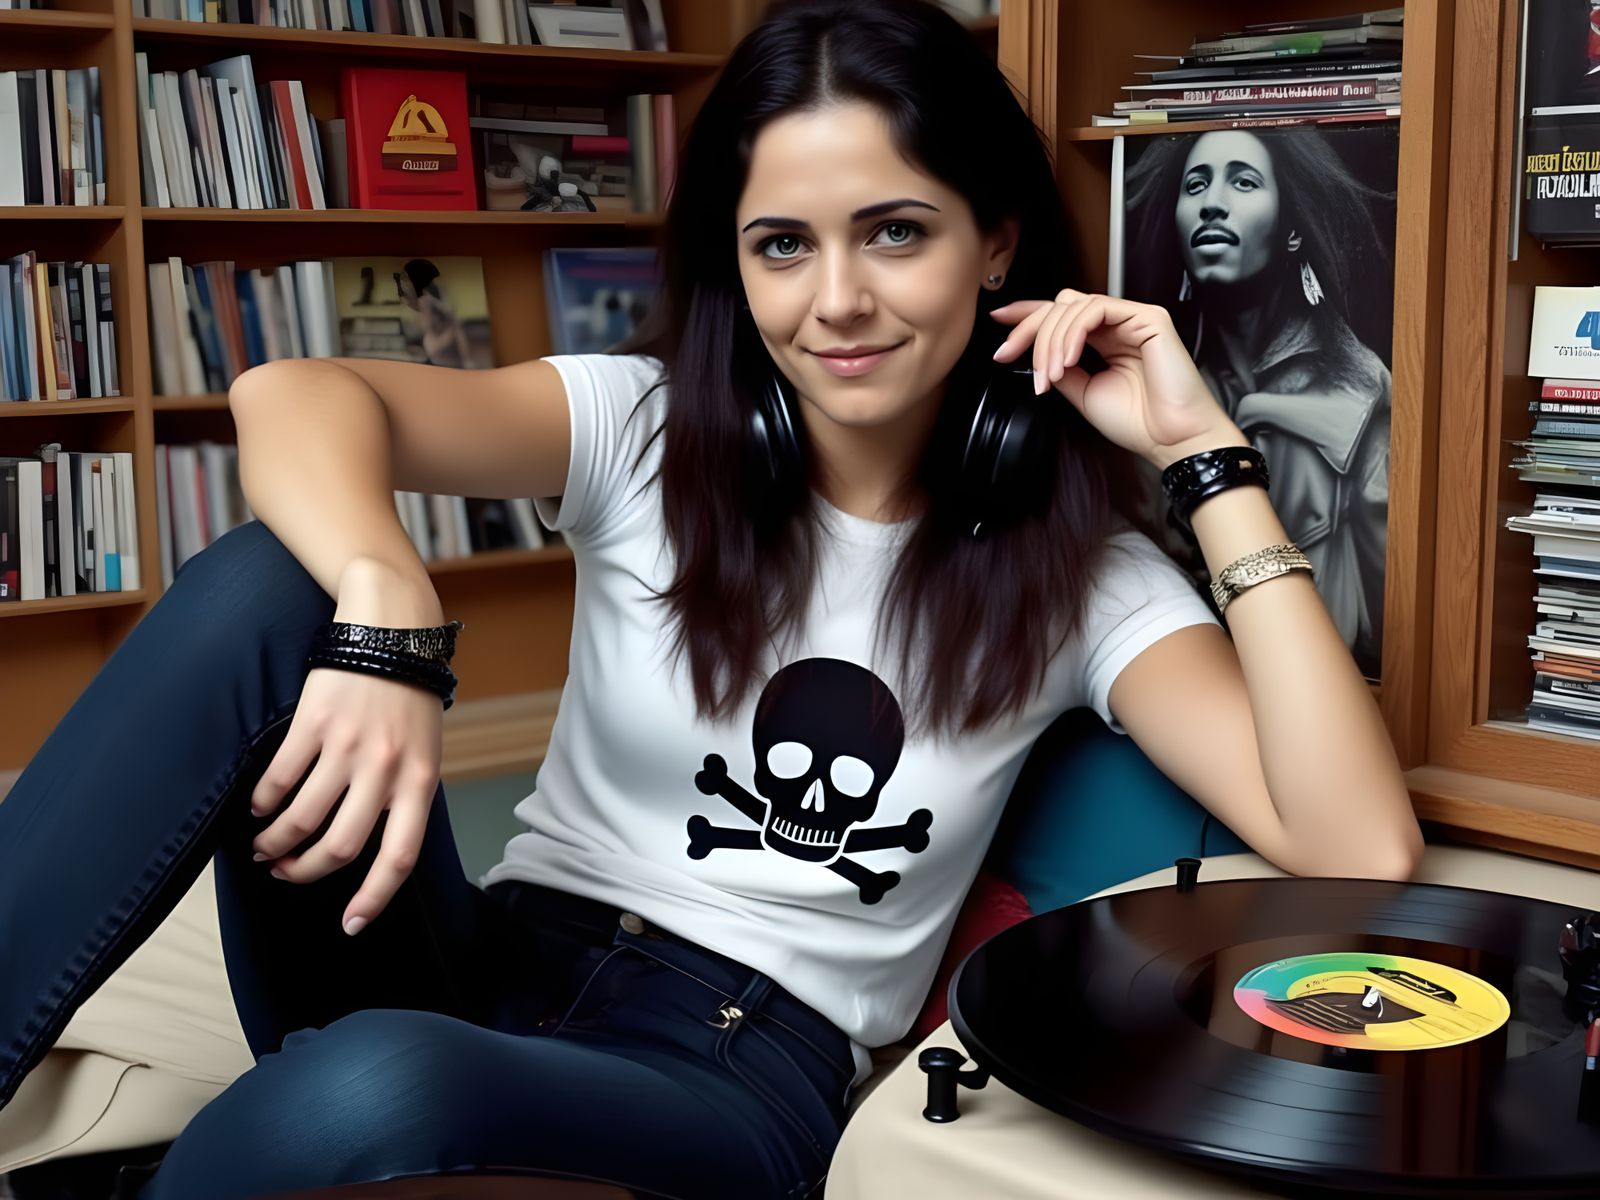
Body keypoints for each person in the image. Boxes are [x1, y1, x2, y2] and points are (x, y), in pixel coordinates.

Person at [0, 2, 1423, 1197]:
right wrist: (387, 610)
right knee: (273, 578)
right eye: (783, 245)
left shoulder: (1077, 575)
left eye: (895, 233)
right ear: (736, 267)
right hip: (478, 956)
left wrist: (1199, 451)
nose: (838, 301)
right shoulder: (642, 426)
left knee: (372, 1080)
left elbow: (1353, 835)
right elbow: (296, 391)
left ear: (997, 243)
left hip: (732, 1071)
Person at [1123, 127, 1396, 680]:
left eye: (1243, 182)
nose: (1212, 204)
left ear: (1291, 231)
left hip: (1319, 700)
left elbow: (1390, 627)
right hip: (1168, 697)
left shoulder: (1359, 393)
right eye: (1194, 185)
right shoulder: (1135, 392)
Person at [395, 257, 476, 368]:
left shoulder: (431, 298)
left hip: (441, 337)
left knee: (451, 332)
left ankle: (466, 361)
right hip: (436, 341)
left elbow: (450, 316)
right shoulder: (423, 302)